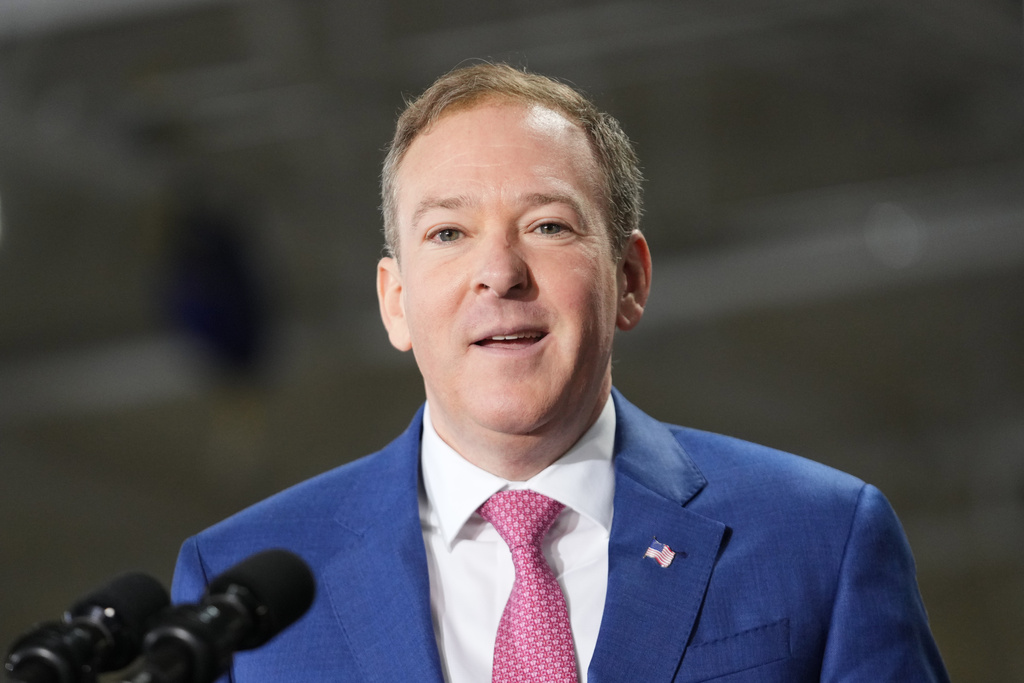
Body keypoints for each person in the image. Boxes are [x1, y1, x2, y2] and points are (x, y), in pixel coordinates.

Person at [172, 63, 949, 682]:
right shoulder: (238, 587)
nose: (499, 273)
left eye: (547, 225)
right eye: (448, 232)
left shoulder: (821, 537)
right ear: (396, 301)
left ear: (630, 279)